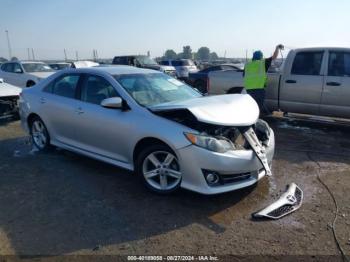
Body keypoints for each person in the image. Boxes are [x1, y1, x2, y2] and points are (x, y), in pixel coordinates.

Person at [244, 44, 284, 113]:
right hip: (259, 89)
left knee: (252, 105)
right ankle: (256, 120)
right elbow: (274, 57)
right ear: (261, 57)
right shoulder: (262, 63)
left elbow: (244, 75)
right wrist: (277, 48)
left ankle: (256, 116)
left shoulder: (247, 65)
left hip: (249, 89)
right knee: (258, 106)